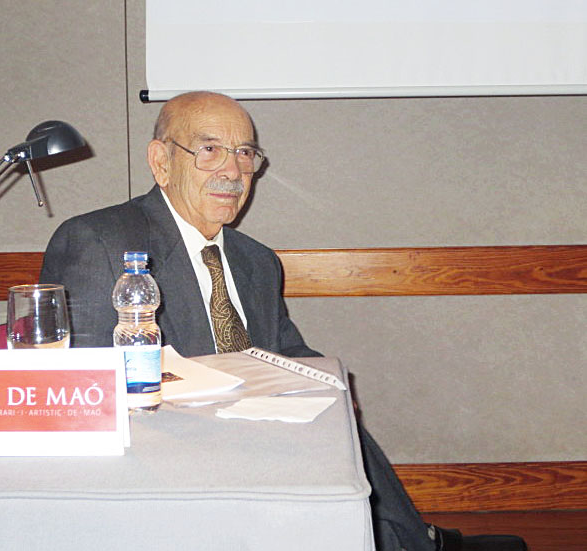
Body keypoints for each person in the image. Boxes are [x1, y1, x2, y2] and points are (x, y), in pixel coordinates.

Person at [40, 92, 526, 551]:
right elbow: (78, 390)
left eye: (245, 154)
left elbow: (287, 350)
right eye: (210, 150)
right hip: (170, 458)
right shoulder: (98, 241)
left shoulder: (256, 260)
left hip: (261, 437)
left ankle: (405, 538)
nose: (232, 171)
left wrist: (326, 385)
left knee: (336, 413)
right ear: (161, 161)